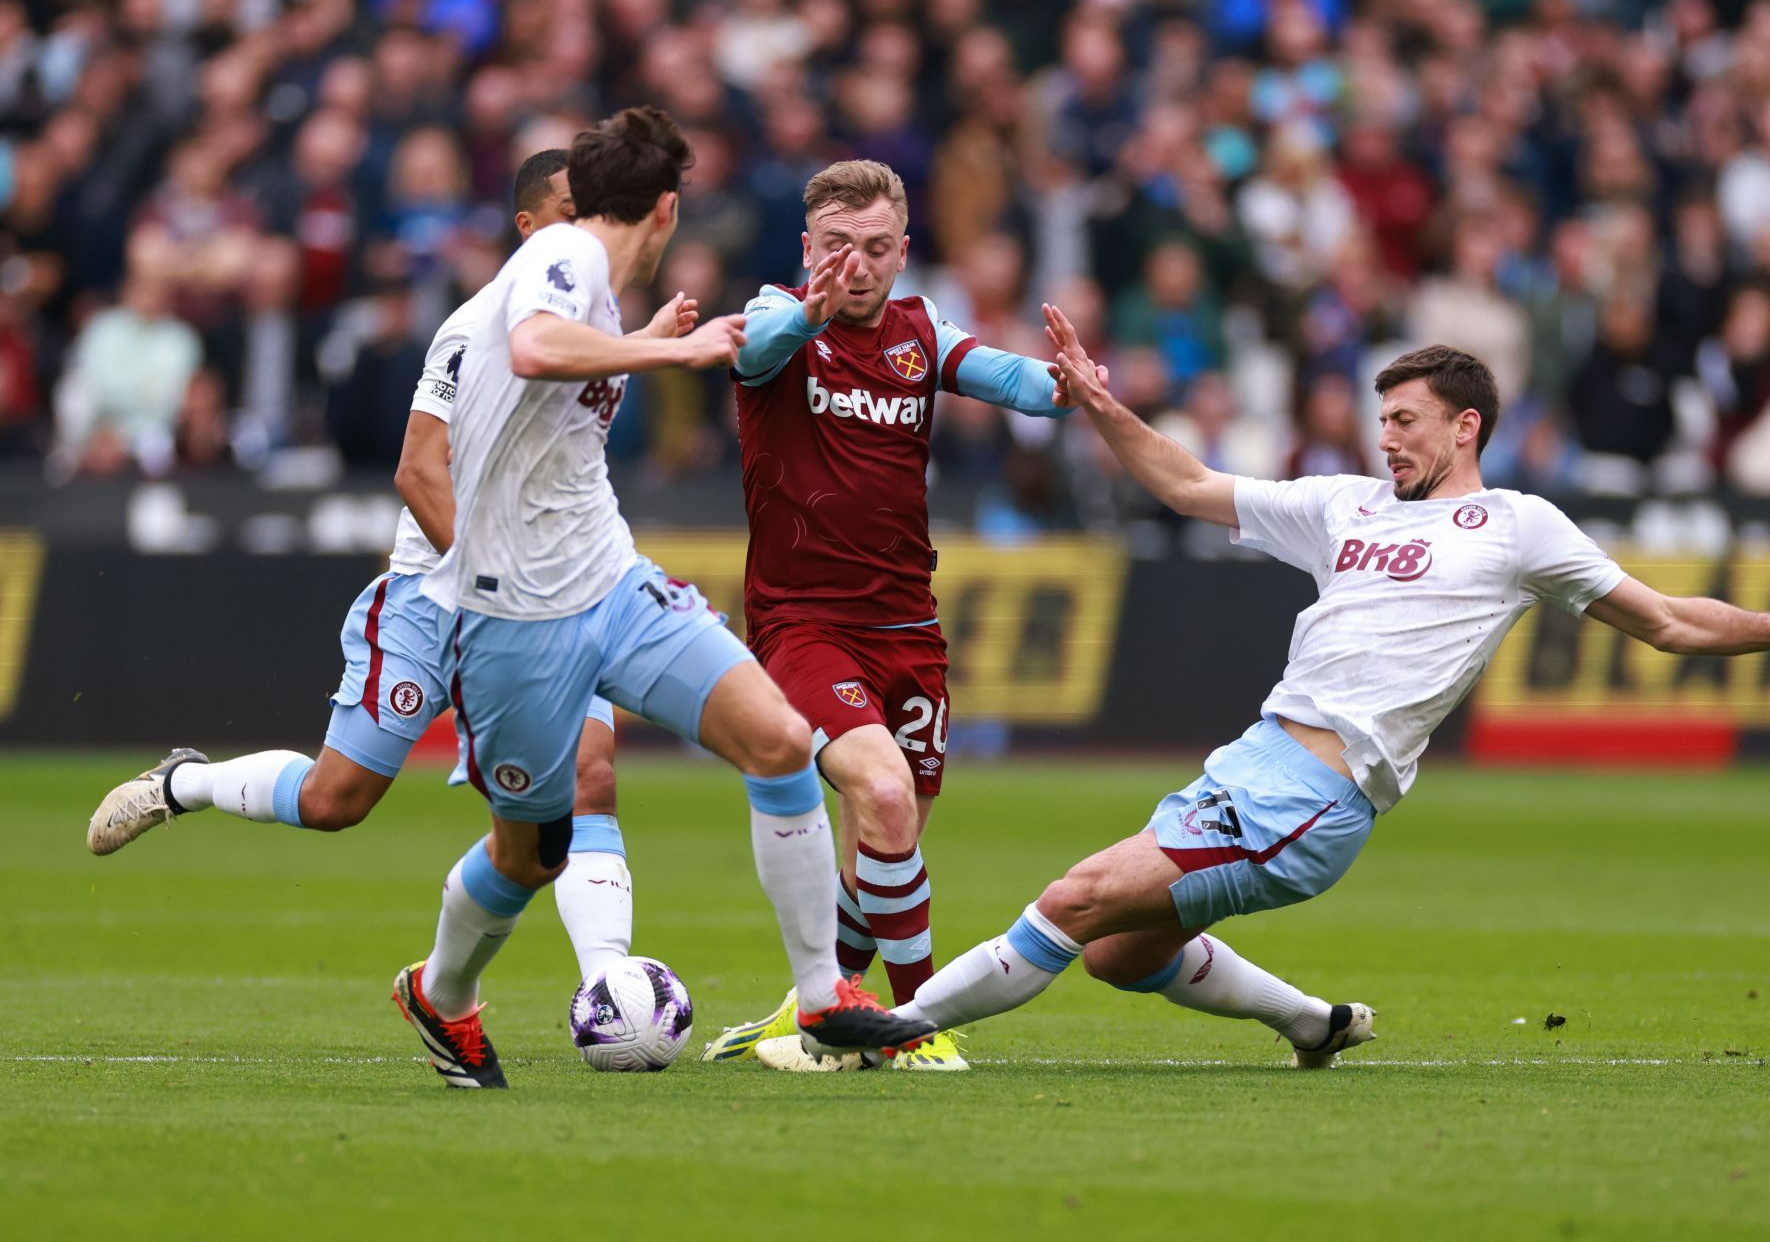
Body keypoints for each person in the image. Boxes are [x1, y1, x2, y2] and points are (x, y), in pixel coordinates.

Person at [880, 317, 1770, 1067]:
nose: (1388, 439)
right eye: (1382, 419)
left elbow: (1666, 618)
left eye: (1405, 421)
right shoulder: (1340, 505)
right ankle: (1311, 1023)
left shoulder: (1517, 525)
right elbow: (1188, 484)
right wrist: (1100, 405)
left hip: (1312, 793)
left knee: (1076, 895)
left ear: (1466, 425)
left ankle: (888, 1028)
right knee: (1114, 951)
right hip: (1252, 759)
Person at [406, 110, 934, 1087]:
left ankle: (825, 993)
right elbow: (531, 348)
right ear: (666, 208)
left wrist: (645, 337)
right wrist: (673, 354)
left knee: (777, 738)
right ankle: (440, 990)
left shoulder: (600, 292)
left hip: (610, 578)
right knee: (525, 854)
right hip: (518, 611)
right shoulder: (564, 251)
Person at [87, 151, 638, 988]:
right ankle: (187, 782)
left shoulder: (600, 326)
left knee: (588, 779)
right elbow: (419, 474)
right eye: (571, 212)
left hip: (555, 595)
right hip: (441, 597)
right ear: (527, 229)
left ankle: (612, 988)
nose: (590, 232)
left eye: (600, 214)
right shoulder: (475, 326)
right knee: (333, 801)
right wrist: (503, 579)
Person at [698, 159, 1071, 1073]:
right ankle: (913, 1021)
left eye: (873, 250)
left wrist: (1070, 382)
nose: (854, 268)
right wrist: (809, 311)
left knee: (888, 842)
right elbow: (751, 352)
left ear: (903, 252)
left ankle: (816, 1004)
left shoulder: (919, 330)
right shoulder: (779, 317)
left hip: (909, 624)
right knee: (887, 794)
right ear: (807, 249)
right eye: (835, 248)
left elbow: (1010, 383)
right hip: (803, 623)